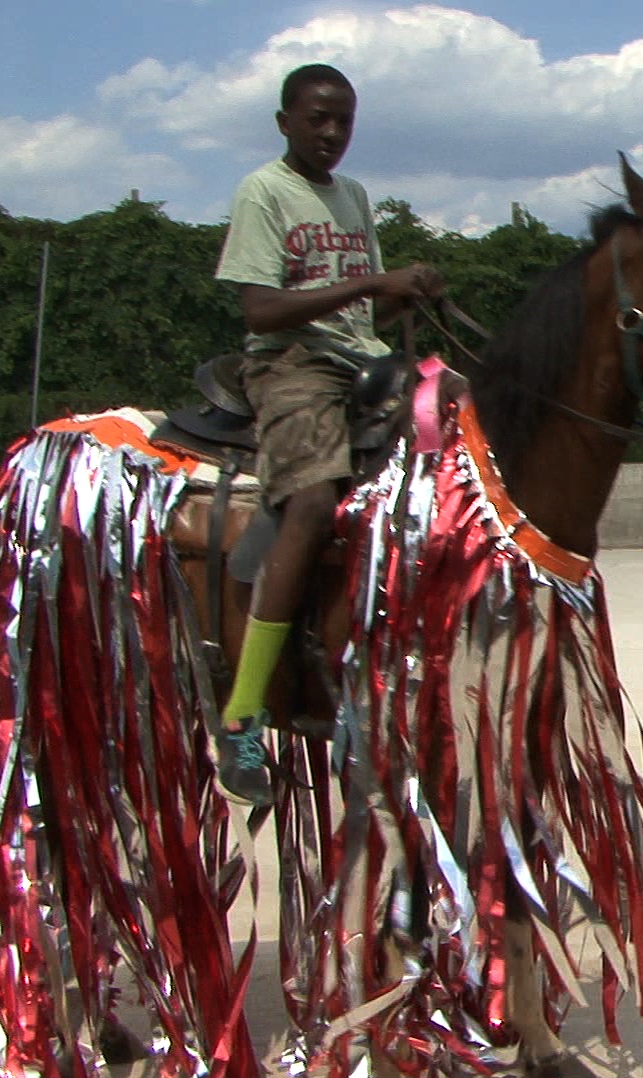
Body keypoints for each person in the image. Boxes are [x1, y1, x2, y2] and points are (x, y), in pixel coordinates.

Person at [210, 63, 445, 806]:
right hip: (291, 366)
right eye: (317, 118)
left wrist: (404, 295)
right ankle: (245, 713)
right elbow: (258, 309)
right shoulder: (264, 191)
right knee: (313, 501)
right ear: (284, 121)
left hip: (362, 363)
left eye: (343, 120)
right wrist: (373, 285)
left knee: (456, 466)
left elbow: (362, 317)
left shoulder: (354, 197)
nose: (331, 133)